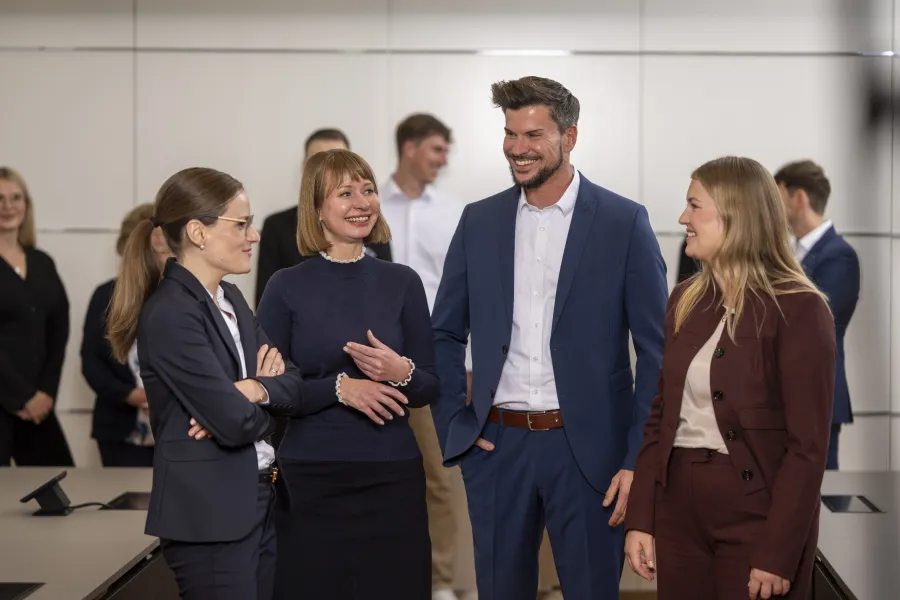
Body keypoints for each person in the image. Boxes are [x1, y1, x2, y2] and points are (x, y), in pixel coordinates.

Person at [431, 76, 668, 599]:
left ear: (570, 137)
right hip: (497, 447)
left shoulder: (623, 222)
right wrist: (456, 425)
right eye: (510, 134)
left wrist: (636, 459)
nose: (518, 148)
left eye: (533, 135)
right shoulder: (478, 221)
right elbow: (444, 332)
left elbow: (657, 352)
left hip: (591, 455)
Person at [624, 156, 836, 600]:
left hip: (758, 514)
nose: (683, 218)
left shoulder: (800, 308)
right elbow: (659, 415)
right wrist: (641, 517)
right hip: (678, 509)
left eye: (694, 205)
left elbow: (808, 447)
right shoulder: (684, 300)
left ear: (736, 215)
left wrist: (778, 551)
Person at [106, 167, 304, 599]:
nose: (253, 236)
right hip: (212, 516)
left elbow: (293, 385)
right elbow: (234, 423)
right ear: (198, 232)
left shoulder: (231, 298)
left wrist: (252, 390)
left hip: (258, 499)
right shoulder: (172, 313)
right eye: (242, 224)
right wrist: (259, 402)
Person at [257, 149, 437, 599]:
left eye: (368, 190)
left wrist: (400, 370)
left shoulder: (403, 282)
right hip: (311, 477)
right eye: (345, 193)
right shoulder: (284, 286)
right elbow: (270, 390)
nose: (362, 202)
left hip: (392, 474)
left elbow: (430, 385)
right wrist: (340, 388)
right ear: (317, 208)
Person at [379, 113, 470, 600]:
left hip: (432, 366)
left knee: (439, 477)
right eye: (436, 149)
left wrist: (468, 364)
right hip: (370, 364)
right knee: (378, 475)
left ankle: (442, 583)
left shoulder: (453, 213)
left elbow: (465, 295)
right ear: (410, 147)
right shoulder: (368, 208)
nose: (443, 160)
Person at [774, 159, 859, 470]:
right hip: (783, 395)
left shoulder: (839, 255)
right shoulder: (789, 252)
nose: (773, 208)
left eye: (777, 197)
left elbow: (819, 322)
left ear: (799, 197)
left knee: (820, 488)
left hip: (816, 393)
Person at [255, 128, 391, 307]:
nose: (331, 168)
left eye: (340, 160)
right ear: (305, 168)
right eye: (319, 161)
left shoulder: (368, 224)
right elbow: (265, 306)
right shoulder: (277, 228)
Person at [82, 203, 173, 467]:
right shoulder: (106, 296)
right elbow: (91, 362)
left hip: (176, 428)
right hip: (119, 429)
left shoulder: (180, 295)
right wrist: (129, 394)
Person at [0, 166, 75, 467]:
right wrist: (22, 396)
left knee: (60, 484)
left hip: (39, 403)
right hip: (9, 399)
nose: (8, 206)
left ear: (26, 204)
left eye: (15, 197)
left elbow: (59, 331)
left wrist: (46, 392)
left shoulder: (42, 263)